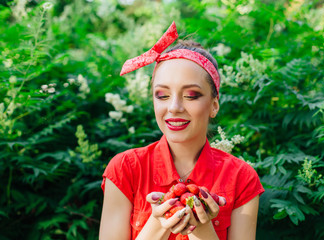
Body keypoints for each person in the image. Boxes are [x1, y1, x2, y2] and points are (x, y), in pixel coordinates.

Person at [99, 22, 264, 240]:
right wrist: (158, 224)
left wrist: (203, 229)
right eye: (162, 95)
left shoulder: (242, 179)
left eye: (191, 95)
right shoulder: (125, 170)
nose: (174, 107)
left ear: (214, 105)